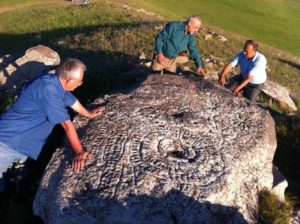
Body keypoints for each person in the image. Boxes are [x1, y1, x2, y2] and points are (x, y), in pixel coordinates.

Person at [0, 58, 104, 180]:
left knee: (11, 181)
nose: (81, 84)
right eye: (80, 82)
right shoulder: (49, 90)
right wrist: (80, 152)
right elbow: (66, 124)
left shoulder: (54, 83)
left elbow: (70, 100)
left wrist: (88, 114)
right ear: (70, 81)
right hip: (8, 142)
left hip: (20, 143)